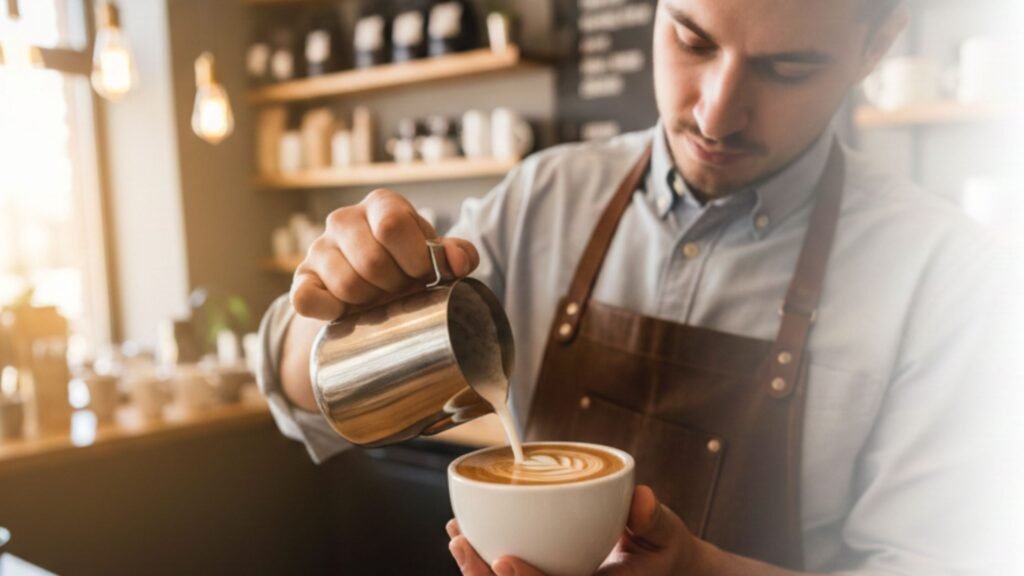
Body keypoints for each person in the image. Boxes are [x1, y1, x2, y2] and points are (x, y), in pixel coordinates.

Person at [257, 0, 1022, 574]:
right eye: (691, 39)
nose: (716, 112)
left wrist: (700, 570)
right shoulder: (544, 198)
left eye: (787, 68)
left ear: (874, 48)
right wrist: (340, 299)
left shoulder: (949, 280)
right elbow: (305, 399)